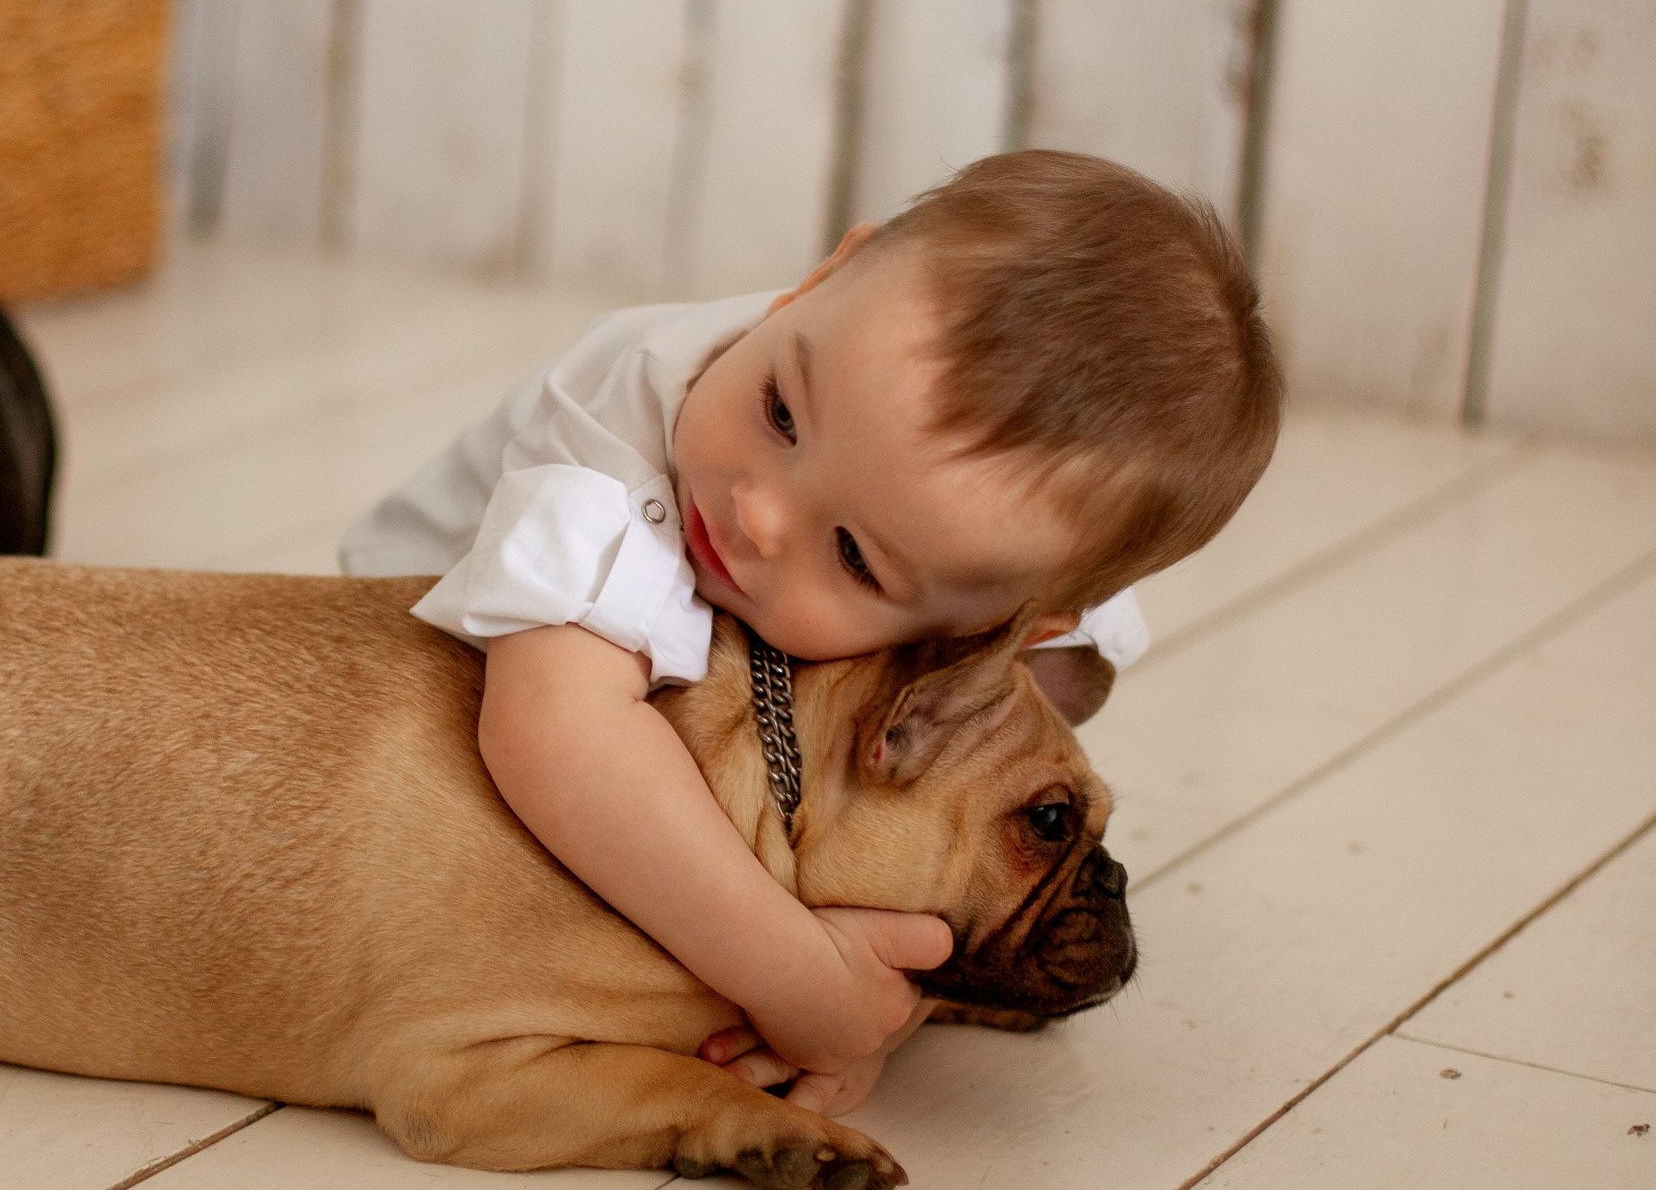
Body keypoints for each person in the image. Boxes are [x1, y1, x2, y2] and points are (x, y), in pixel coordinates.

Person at [340, 150, 1283, 1112]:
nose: (757, 514)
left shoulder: (978, 542)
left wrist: (892, 977)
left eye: (854, 555)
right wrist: (800, 978)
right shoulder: (613, 442)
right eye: (782, 412)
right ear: (829, 273)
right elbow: (554, 734)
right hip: (433, 690)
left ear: (999, 627)